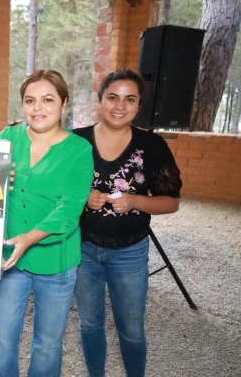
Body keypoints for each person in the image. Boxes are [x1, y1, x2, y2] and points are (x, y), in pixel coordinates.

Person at [73, 69, 183, 377]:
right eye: (112, 97)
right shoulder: (74, 141)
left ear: (138, 106)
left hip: (130, 252)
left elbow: (171, 202)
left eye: (129, 99)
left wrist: (135, 201)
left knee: (132, 329)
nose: (120, 106)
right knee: (90, 324)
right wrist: (83, 196)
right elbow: (52, 189)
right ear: (100, 100)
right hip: (80, 249)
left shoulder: (152, 145)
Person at [0, 70, 94, 377]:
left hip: (56, 262)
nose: (38, 108)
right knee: (2, 340)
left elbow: (69, 208)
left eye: (48, 100)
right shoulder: (7, 138)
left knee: (48, 343)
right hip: (9, 257)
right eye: (30, 100)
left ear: (63, 103)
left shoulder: (79, 150)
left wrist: (29, 237)